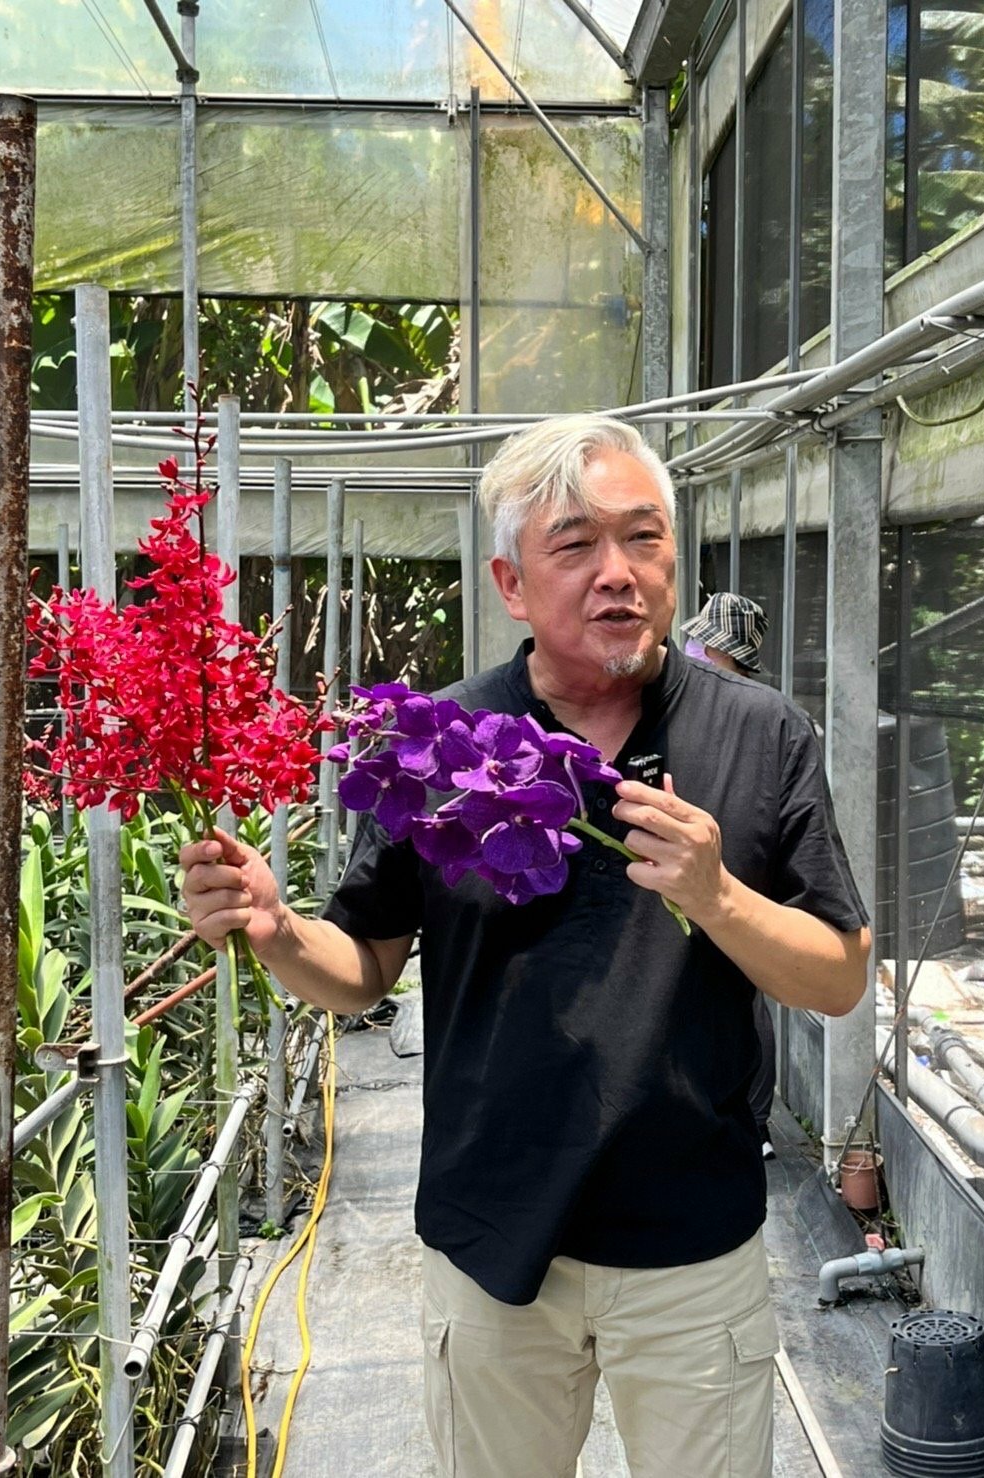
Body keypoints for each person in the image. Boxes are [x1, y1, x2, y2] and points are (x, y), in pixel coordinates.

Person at [180, 415, 870, 1478]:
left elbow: (838, 975)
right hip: (492, 1238)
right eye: (575, 545)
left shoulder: (759, 733)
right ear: (510, 582)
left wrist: (717, 893)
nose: (617, 572)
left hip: (692, 1248)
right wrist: (276, 930)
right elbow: (363, 968)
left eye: (642, 538)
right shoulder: (440, 743)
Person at [680, 592, 778, 1160]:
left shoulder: (760, 718)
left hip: (736, 872)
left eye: (703, 644)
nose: (693, 650)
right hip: (688, 870)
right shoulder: (688, 703)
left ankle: (755, 1121)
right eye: (694, 641)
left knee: (743, 992)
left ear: (727, 654)